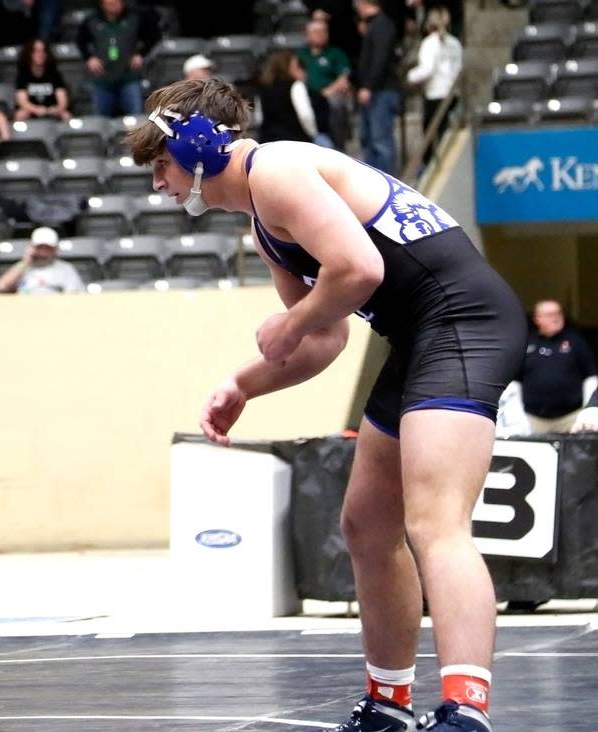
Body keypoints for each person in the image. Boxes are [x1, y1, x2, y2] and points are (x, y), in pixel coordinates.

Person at [127, 78, 526, 732]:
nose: (157, 182)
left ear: (201, 146)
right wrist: (246, 383)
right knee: (367, 524)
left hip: (464, 324)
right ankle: (388, 705)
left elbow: (359, 271)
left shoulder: (278, 169)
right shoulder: (265, 220)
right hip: (425, 335)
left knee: (436, 524)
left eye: (160, 162)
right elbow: (327, 335)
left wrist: (290, 325)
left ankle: (465, 713)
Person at [514, 299, 597, 434]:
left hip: (570, 418)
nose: (556, 318)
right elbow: (515, 382)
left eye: (558, 313)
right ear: (537, 318)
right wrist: (516, 413)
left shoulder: (576, 341)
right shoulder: (526, 343)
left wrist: (588, 409)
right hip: (532, 419)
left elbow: (590, 377)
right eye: (549, 314)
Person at [77, 0, 160, 118]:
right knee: (101, 120)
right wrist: (89, 58)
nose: (114, 6)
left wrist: (141, 54)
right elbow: (80, 41)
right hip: (102, 78)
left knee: (135, 119)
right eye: (110, 3)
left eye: (117, 2)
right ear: (102, 4)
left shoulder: (135, 18)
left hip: (129, 76)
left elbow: (154, 36)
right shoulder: (92, 20)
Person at [406, 6, 462, 168]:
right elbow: (458, 69)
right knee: (445, 136)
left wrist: (409, 76)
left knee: (432, 138)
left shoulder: (429, 43)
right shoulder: (455, 43)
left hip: (436, 96)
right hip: (452, 94)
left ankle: (431, 168)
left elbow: (427, 69)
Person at [354, 0, 401, 174]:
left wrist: (368, 86)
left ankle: (387, 183)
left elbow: (380, 58)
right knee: (369, 141)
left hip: (381, 91)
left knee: (381, 142)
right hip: (374, 92)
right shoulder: (374, 25)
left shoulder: (382, 24)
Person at [297, 18, 353, 151]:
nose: (320, 34)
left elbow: (344, 77)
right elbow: (295, 72)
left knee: (336, 103)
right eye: (316, 32)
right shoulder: (301, 54)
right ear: (307, 35)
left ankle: (338, 147)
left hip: (330, 97)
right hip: (309, 98)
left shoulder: (336, 53)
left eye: (323, 31)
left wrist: (327, 92)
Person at [256, 50, 327, 147]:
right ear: (286, 66)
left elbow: (259, 118)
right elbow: (305, 116)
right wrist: (314, 134)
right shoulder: (296, 85)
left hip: (268, 143)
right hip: (295, 142)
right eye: (296, 65)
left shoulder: (263, 88)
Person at [0, 226, 84, 295]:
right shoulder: (22, 267)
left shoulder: (65, 269)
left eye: (47, 248)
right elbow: (2, 287)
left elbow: (73, 296)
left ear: (55, 249)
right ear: (31, 247)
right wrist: (25, 262)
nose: (43, 252)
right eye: (39, 247)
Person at [14, 39, 72, 122]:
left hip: (51, 110)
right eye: (36, 51)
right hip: (32, 110)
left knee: (66, 115)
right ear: (29, 54)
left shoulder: (54, 74)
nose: (40, 54)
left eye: (43, 51)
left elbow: (63, 101)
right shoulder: (23, 75)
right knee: (20, 114)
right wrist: (36, 109)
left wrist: (55, 109)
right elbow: (22, 101)